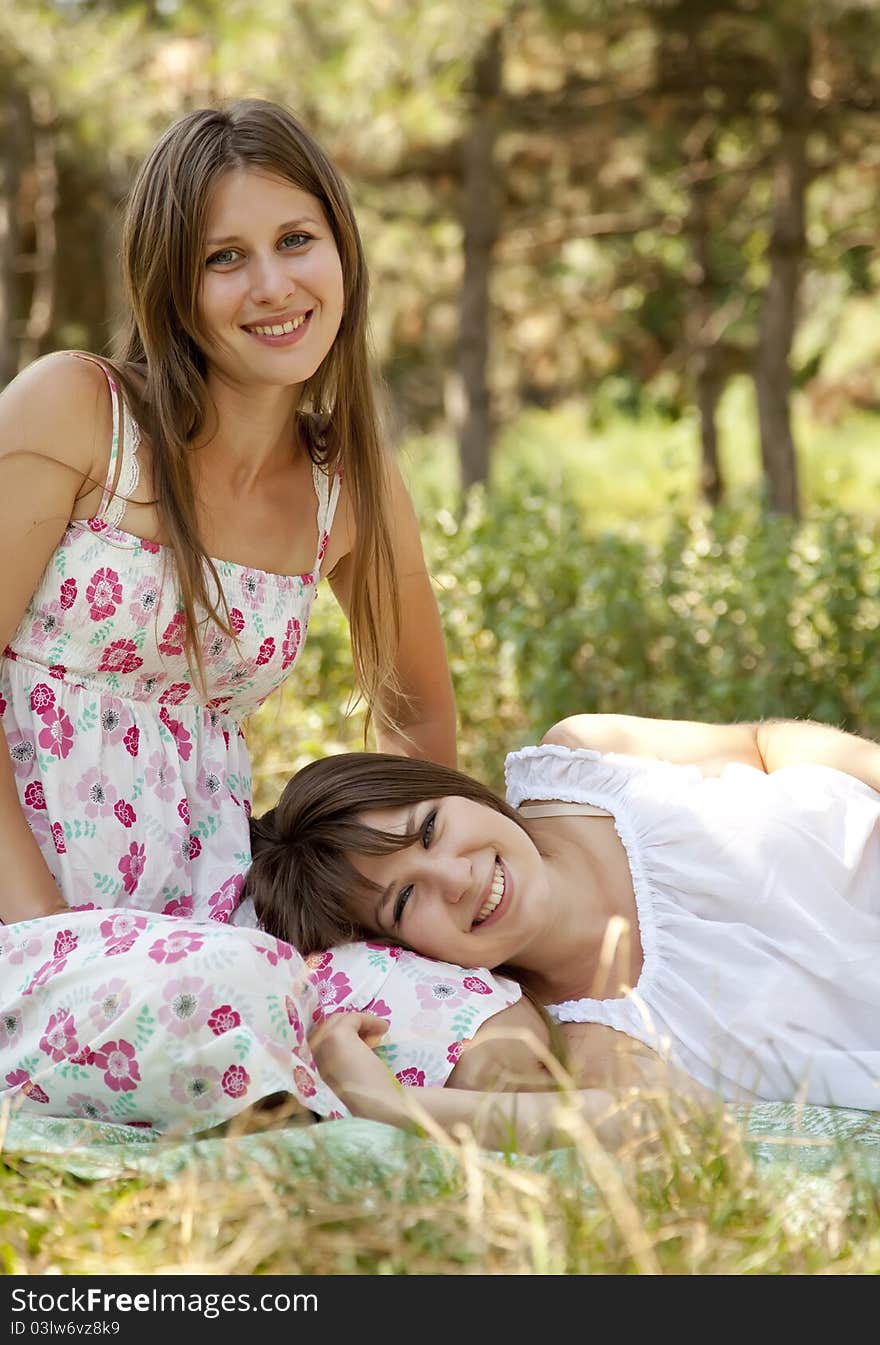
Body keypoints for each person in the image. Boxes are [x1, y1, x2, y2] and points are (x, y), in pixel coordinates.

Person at [0, 97, 457, 1132]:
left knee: (452, 1004)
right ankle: (320, 1096)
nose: (273, 286)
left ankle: (480, 1123)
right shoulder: (80, 412)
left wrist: (399, 919)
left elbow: (417, 726)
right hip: (25, 929)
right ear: (175, 284)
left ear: (341, 248)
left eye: (296, 240)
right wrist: (51, 938)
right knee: (234, 990)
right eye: (225, 258)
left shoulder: (350, 483)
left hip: (208, 918)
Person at [246, 713, 880, 1116]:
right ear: (403, 953)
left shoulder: (585, 763)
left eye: (430, 828)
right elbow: (664, 1134)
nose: (456, 877)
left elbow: (763, 746)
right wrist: (394, 1106)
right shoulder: (605, 1051)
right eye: (405, 900)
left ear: (448, 785)